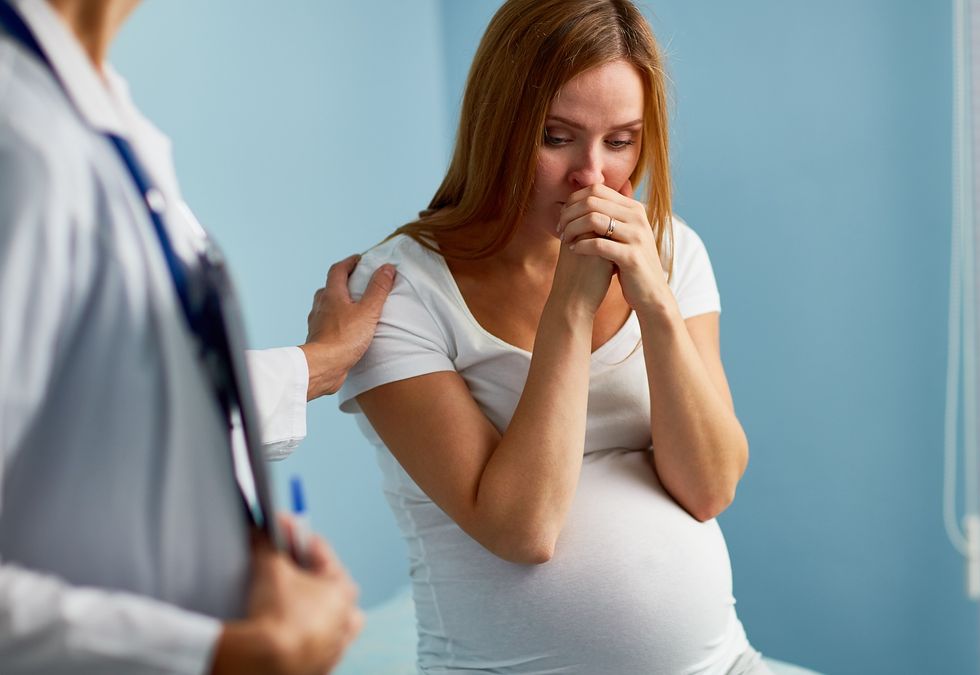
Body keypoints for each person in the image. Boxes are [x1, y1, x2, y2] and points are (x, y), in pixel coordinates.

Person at [338, 0, 769, 672]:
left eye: (620, 141)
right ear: (497, 126)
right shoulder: (398, 290)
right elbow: (522, 527)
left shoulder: (673, 251)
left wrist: (654, 299)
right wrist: (571, 306)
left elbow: (710, 486)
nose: (591, 176)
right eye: (557, 136)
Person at [0, 0, 394, 672]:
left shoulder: (96, 118)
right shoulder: (19, 142)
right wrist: (219, 652)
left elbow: (111, 411)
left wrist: (246, 547)